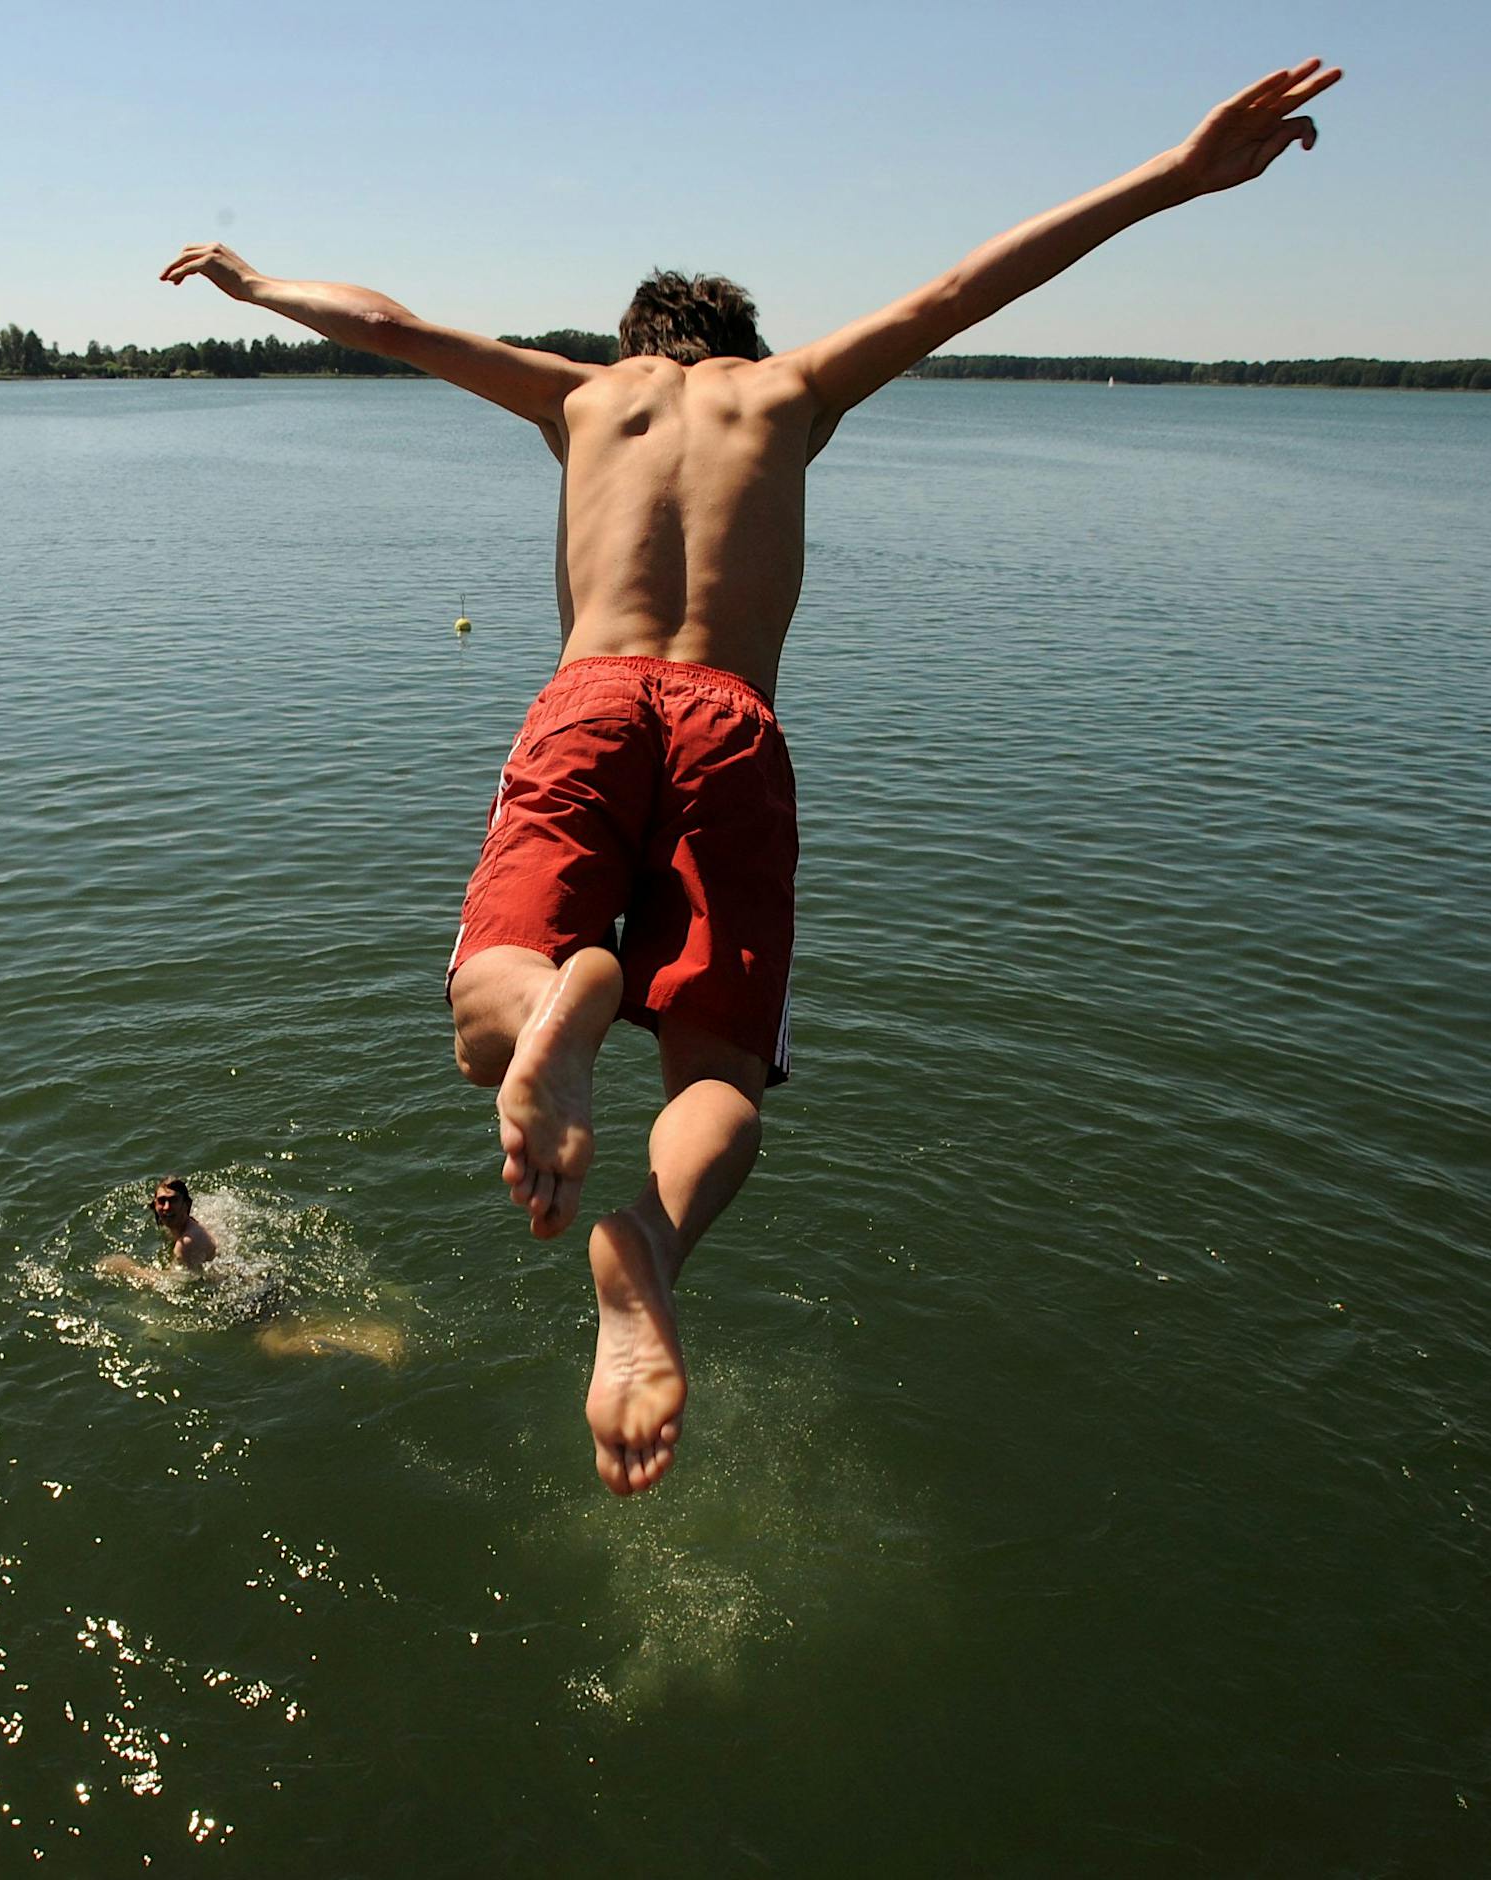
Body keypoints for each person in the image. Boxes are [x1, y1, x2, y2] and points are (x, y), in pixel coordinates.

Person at [160, 59, 1341, 1495]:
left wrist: (258, 279)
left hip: (587, 700)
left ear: (639, 342)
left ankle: (554, 1005)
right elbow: (965, 287)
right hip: (731, 721)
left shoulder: (583, 398)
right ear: (739, 341)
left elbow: (396, 327)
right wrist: (1177, 173)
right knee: (718, 1075)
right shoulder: (785, 394)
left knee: (487, 1015)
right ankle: (647, 1244)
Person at [98, 1176, 218, 1287]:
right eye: (162, 1201)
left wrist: (128, 1268)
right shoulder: (178, 1225)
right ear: (154, 1205)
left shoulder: (185, 1245)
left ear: (186, 1204)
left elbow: (174, 1284)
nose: (166, 1207)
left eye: (173, 1200)